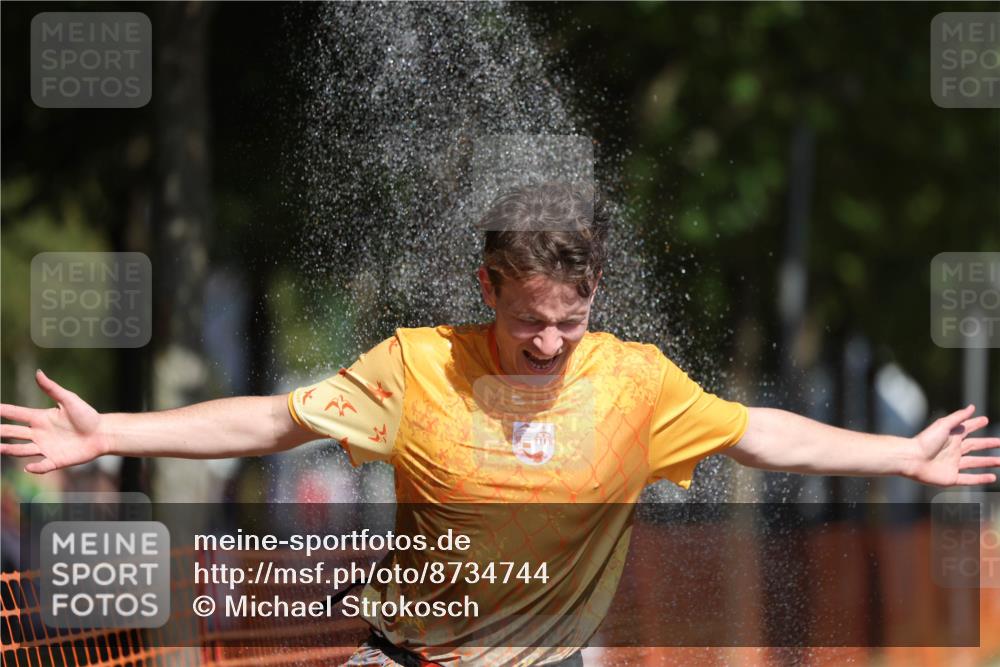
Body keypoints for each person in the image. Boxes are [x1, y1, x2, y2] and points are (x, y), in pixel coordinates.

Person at [2, 182, 998, 667]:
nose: (552, 342)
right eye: (528, 320)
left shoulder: (637, 383)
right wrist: (114, 433)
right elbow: (269, 419)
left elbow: (761, 434)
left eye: (571, 319)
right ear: (487, 289)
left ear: (594, 293)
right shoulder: (416, 364)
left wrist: (902, 455)